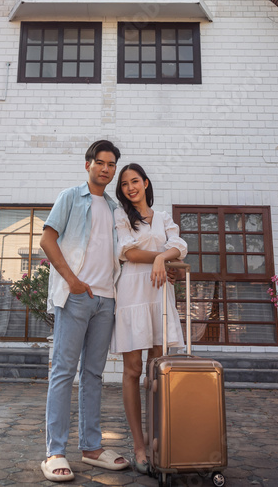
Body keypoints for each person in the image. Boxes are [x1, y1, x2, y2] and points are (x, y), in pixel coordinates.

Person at [39, 140, 130, 482]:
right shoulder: (69, 197)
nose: (106, 169)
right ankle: (55, 451)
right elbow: (47, 240)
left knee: (93, 375)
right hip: (76, 297)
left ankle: (92, 447)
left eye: (112, 164)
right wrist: (73, 281)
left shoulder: (113, 206)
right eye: (101, 162)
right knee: (63, 372)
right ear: (88, 164)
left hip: (106, 300)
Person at [110, 163, 187, 474]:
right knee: (132, 370)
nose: (131, 187)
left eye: (135, 181)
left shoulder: (164, 217)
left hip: (159, 294)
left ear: (145, 183)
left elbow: (179, 247)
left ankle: (159, 441)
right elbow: (126, 252)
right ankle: (140, 447)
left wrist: (162, 258)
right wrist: (160, 256)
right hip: (132, 294)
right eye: (125, 183)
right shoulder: (121, 216)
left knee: (157, 372)